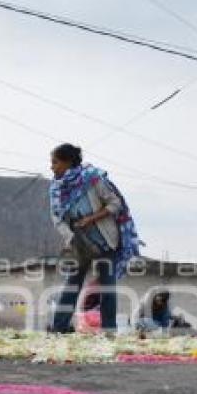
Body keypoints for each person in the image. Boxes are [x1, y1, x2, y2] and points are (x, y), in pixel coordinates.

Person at [48, 143, 141, 334]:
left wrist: (90, 219)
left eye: (55, 162)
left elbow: (115, 204)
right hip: (80, 242)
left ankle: (108, 330)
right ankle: (59, 327)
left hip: (106, 240)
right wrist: (71, 236)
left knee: (107, 286)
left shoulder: (92, 179)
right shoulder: (56, 189)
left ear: (68, 162)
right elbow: (57, 218)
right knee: (72, 283)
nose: (52, 167)